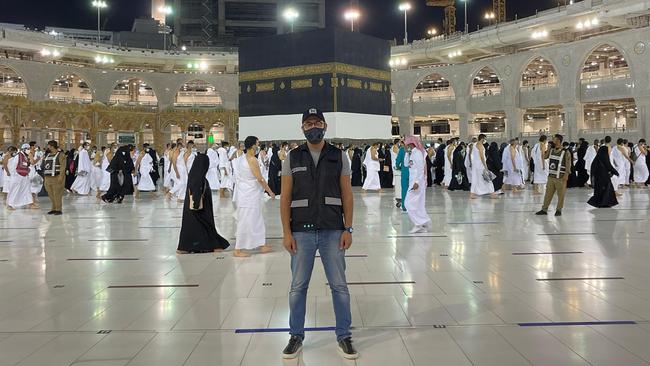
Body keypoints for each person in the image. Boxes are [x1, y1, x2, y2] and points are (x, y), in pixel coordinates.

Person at [281, 108, 357, 360]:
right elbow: (285, 198)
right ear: (302, 127)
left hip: (332, 230)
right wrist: (286, 233)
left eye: (317, 122)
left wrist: (348, 228)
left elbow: (347, 194)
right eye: (308, 123)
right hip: (300, 232)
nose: (313, 126)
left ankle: (344, 335)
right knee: (297, 287)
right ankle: (296, 335)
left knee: (339, 286)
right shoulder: (292, 157)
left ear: (324, 125)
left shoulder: (338, 156)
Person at [177, 153, 230, 254]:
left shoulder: (194, 174)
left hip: (194, 211)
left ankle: (188, 247)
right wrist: (197, 204)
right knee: (205, 226)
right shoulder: (198, 177)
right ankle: (213, 245)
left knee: (196, 228)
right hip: (199, 210)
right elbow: (196, 191)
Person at [233, 136, 276, 257]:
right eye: (257, 144)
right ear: (252, 146)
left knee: (256, 219)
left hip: (248, 193)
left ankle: (261, 244)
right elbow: (260, 179)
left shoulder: (242, 158)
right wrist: (270, 191)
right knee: (245, 220)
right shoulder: (252, 160)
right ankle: (237, 249)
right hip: (249, 195)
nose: (258, 146)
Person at [536, 134, 572, 216]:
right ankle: (544, 209)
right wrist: (548, 148)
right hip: (551, 177)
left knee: (561, 195)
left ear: (558, 140)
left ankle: (559, 210)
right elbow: (545, 157)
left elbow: (568, 164)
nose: (552, 140)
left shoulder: (566, 152)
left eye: (554, 139)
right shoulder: (551, 150)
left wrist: (566, 174)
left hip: (561, 177)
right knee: (548, 194)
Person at [404, 136, 432, 233]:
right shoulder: (412, 153)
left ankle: (418, 223)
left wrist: (416, 182)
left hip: (417, 183)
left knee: (408, 203)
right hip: (413, 182)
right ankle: (423, 221)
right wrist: (407, 154)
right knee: (418, 204)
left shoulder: (418, 154)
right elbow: (406, 164)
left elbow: (420, 170)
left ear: (410, 144)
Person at [6, 144, 35, 210]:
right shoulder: (18, 155)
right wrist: (14, 175)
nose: (29, 150)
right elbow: (13, 166)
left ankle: (29, 203)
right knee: (14, 190)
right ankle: (9, 205)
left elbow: (27, 164)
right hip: (17, 176)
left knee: (26, 190)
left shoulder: (25, 156)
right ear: (24, 149)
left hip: (24, 176)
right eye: (27, 149)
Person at [41, 140, 67, 215]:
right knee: (50, 194)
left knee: (57, 194)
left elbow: (63, 167)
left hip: (57, 177)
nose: (47, 147)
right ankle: (53, 208)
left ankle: (58, 209)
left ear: (52, 146)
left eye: (48, 145)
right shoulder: (47, 155)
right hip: (48, 177)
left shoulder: (61, 155)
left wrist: (61, 177)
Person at [470, 134, 497, 199]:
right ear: (482, 139)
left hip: (475, 165)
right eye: (485, 139)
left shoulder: (474, 144)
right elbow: (482, 156)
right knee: (488, 178)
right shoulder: (480, 145)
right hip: (480, 165)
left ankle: (472, 194)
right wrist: (485, 166)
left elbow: (471, 154)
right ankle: (492, 193)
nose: (485, 140)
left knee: (475, 179)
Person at [390, 139, 403, 208]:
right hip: (395, 164)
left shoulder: (395, 147)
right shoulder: (395, 147)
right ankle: (395, 186)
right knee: (396, 177)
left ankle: (395, 186)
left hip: (395, 163)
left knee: (396, 177)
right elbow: (399, 153)